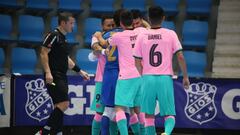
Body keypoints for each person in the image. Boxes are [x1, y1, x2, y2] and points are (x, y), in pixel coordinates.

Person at [133, 6, 190, 135]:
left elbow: (137, 61)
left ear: (148, 18)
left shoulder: (142, 35)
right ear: (163, 18)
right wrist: (185, 77)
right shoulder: (170, 34)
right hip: (165, 77)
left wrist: (143, 76)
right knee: (169, 114)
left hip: (147, 77)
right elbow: (180, 56)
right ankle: (167, 133)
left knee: (148, 115)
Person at [36, 12, 89, 135]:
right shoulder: (53, 35)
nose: (73, 26)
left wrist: (80, 71)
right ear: (63, 23)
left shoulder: (63, 39)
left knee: (58, 106)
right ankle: (43, 132)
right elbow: (43, 53)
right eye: (71, 23)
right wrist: (48, 72)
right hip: (54, 76)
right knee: (64, 104)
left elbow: (66, 59)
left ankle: (57, 132)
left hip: (62, 75)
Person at [89, 15, 115, 135]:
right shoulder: (96, 36)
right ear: (102, 26)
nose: (111, 27)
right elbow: (94, 51)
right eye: (108, 25)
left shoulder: (118, 36)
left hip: (116, 79)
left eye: (113, 25)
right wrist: (103, 50)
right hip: (101, 80)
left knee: (115, 112)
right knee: (99, 112)